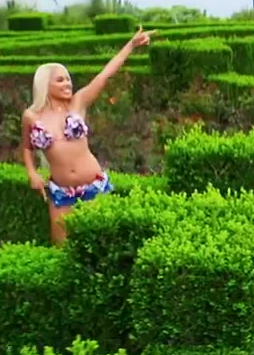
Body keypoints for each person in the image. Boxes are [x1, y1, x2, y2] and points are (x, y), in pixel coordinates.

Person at [21, 26, 157, 246]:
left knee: (100, 244)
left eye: (68, 79)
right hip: (61, 192)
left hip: (93, 186)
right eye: (60, 80)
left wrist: (131, 45)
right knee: (61, 245)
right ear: (45, 85)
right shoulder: (31, 116)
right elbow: (27, 147)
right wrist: (32, 173)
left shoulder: (78, 103)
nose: (68, 83)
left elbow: (105, 75)